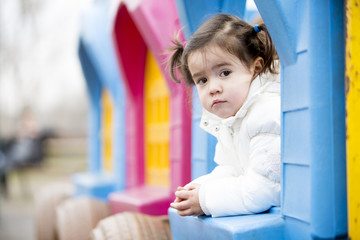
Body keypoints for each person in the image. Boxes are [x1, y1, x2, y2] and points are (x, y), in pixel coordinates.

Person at [167, 14, 281, 217]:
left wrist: (205, 199)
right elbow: (231, 170)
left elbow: (263, 189)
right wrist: (198, 188)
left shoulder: (266, 113)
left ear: (255, 68)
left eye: (224, 73)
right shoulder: (230, 120)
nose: (213, 88)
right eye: (202, 80)